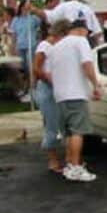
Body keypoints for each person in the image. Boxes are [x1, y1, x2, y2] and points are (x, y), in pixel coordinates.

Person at [48, 19, 103, 182]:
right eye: (87, 32)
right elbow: (87, 65)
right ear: (82, 30)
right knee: (78, 132)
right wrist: (95, 85)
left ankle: (70, 166)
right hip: (75, 93)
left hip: (60, 95)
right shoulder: (80, 42)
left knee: (69, 133)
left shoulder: (56, 47)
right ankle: (76, 167)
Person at [34, 20, 68, 173]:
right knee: (51, 124)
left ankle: (66, 157)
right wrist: (47, 77)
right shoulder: (44, 46)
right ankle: (53, 160)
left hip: (60, 87)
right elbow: (36, 68)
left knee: (63, 123)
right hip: (48, 88)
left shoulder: (60, 47)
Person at [10, 0, 42, 102]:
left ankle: (31, 90)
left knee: (30, 68)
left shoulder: (33, 19)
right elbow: (14, 34)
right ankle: (23, 87)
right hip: (20, 46)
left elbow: (41, 26)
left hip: (31, 45)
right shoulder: (16, 19)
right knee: (21, 68)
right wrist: (13, 46)